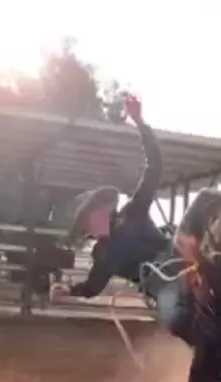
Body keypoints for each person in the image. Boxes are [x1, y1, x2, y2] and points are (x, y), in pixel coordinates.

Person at [49, 95, 168, 303]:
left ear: (103, 209)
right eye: (84, 223)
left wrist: (140, 122)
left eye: (88, 216)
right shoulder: (101, 254)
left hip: (175, 268)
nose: (88, 225)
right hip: (160, 291)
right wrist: (68, 290)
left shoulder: (133, 212)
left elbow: (154, 167)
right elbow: (92, 287)